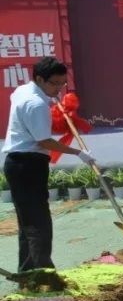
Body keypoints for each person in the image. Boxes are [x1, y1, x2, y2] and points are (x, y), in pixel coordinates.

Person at [2, 58, 96, 273]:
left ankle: (27, 272)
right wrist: (78, 153)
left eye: (63, 84)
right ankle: (43, 274)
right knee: (38, 222)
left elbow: (23, 104)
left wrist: (50, 100)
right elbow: (44, 141)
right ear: (39, 79)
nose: (59, 89)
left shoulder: (22, 91)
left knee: (27, 223)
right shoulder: (36, 104)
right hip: (28, 164)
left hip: (17, 163)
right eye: (54, 84)